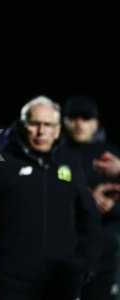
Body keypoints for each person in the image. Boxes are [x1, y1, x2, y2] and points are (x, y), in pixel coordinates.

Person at [0, 96, 101, 300]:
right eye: (35, 124)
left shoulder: (70, 163)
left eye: (48, 125)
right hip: (11, 285)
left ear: (58, 129)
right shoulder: (0, 164)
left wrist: (86, 265)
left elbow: (90, 219)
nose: (41, 131)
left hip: (61, 284)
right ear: (23, 125)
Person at [62, 96, 120, 300]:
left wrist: (110, 205)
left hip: (106, 251)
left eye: (86, 118)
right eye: (73, 117)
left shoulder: (112, 155)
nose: (79, 123)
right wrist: (88, 200)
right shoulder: (54, 153)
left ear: (96, 123)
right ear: (64, 121)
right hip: (66, 247)